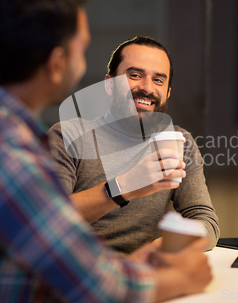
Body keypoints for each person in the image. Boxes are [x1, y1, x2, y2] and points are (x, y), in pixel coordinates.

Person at [0, 0, 212, 302]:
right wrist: (180, 279)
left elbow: (35, 259)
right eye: (82, 48)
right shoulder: (10, 152)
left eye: (158, 79)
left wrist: (128, 263)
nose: (147, 88)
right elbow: (96, 287)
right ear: (57, 63)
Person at [47, 36, 220, 254]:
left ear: (167, 93)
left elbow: (205, 221)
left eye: (158, 80)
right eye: (135, 75)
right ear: (109, 85)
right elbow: (48, 220)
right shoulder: (69, 135)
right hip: (79, 272)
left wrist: (159, 250)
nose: (147, 88)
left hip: (140, 272)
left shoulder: (178, 142)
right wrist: (122, 187)